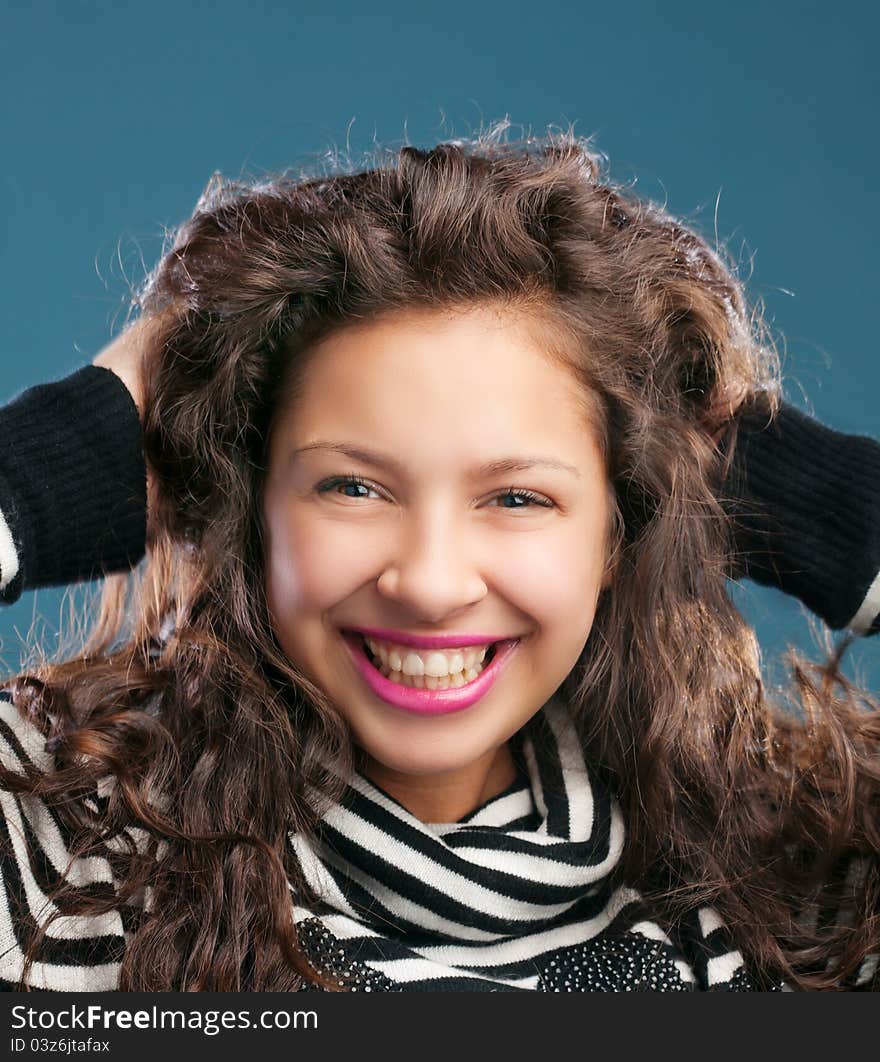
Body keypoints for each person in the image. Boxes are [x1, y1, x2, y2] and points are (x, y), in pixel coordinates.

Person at [0, 130, 878, 992]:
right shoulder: (68, 857)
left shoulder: (807, 891)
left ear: (619, 530)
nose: (428, 583)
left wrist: (803, 495)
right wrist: (62, 459)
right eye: (352, 487)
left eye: (518, 497)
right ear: (252, 505)